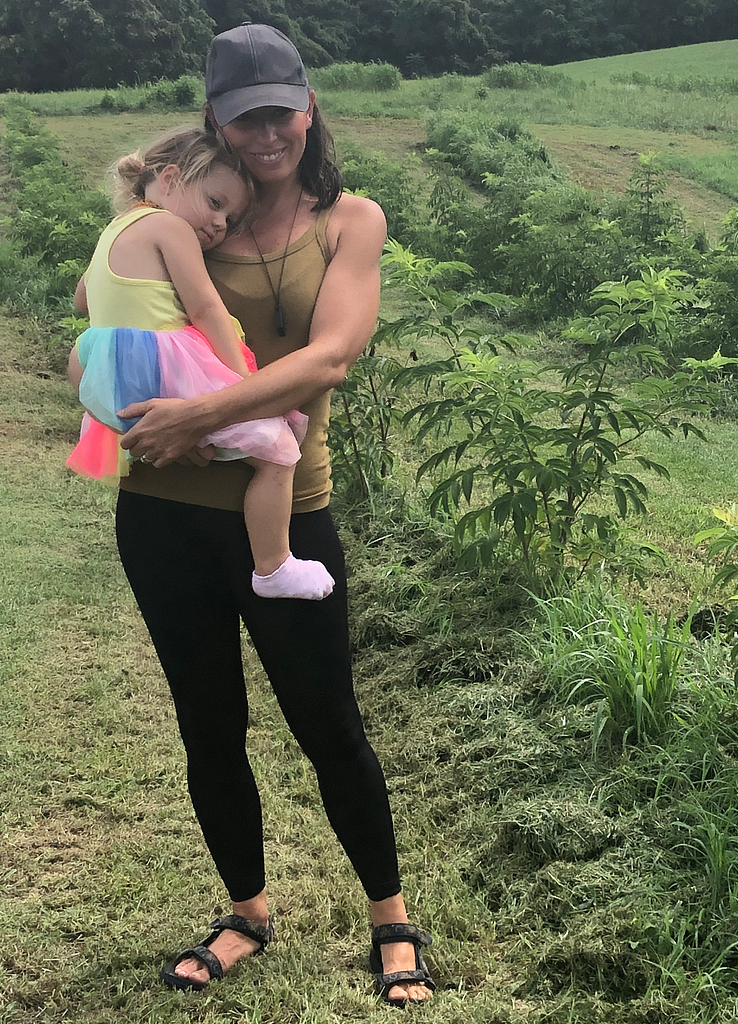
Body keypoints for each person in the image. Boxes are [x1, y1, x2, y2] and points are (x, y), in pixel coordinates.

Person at [98, 22, 435, 1007]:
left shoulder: (348, 221)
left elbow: (329, 357)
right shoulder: (178, 218)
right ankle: (247, 909)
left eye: (280, 112)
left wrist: (200, 411)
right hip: (158, 512)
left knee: (329, 720)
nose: (266, 134)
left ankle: (391, 917)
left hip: (287, 515)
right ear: (217, 122)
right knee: (209, 724)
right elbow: (107, 317)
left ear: (308, 107)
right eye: (244, 120)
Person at [68, 128, 335, 601]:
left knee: (228, 444)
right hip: (164, 365)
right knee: (278, 452)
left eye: (229, 218)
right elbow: (206, 308)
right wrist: (245, 389)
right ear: (171, 177)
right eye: (214, 202)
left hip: (111, 374)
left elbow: (82, 301)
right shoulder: (169, 228)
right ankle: (273, 565)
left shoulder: (118, 227)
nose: (218, 224)